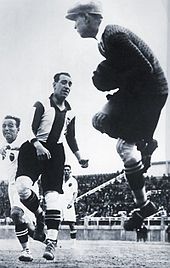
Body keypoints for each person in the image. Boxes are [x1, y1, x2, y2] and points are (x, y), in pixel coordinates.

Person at [66, 1, 168, 231]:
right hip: (139, 91)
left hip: (148, 93)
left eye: (75, 21)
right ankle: (144, 204)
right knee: (123, 147)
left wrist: (113, 82)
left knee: (101, 121)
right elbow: (132, 70)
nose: (74, 27)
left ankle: (145, 141)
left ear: (87, 17)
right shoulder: (104, 42)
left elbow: (145, 69)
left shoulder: (113, 36)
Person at [15, 72, 89, 260]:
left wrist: (80, 156)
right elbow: (27, 127)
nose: (67, 86)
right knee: (22, 188)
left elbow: (70, 137)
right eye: (63, 82)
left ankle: (51, 242)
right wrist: (38, 145)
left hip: (55, 153)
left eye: (70, 84)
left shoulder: (71, 112)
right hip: (33, 147)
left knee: (53, 197)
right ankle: (39, 215)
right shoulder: (41, 104)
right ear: (54, 84)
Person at [0, 115, 38, 262]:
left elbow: (26, 147)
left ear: (18, 129)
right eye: (4, 126)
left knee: (19, 218)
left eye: (11, 126)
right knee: (21, 220)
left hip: (26, 186)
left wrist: (9, 147)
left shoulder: (26, 143)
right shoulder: (3, 146)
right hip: (12, 188)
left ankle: (34, 247)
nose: (6, 128)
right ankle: (37, 246)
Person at [59, 164, 78, 247]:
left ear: (70, 171)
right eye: (65, 170)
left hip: (69, 204)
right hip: (60, 203)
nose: (66, 171)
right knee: (56, 222)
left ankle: (73, 243)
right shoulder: (59, 180)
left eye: (67, 170)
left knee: (71, 223)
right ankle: (54, 242)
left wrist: (71, 202)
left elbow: (75, 193)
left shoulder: (73, 181)